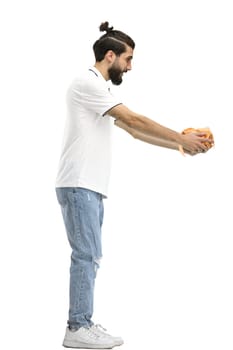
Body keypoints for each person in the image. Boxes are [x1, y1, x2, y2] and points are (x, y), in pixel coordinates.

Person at [55, 21, 211, 349]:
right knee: (86, 254)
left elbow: (136, 132)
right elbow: (135, 120)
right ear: (109, 55)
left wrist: (183, 146)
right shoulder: (88, 83)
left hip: (89, 185)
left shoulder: (100, 91)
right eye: (127, 59)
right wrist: (181, 137)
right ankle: (77, 327)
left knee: (91, 255)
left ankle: (82, 322)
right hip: (79, 183)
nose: (129, 66)